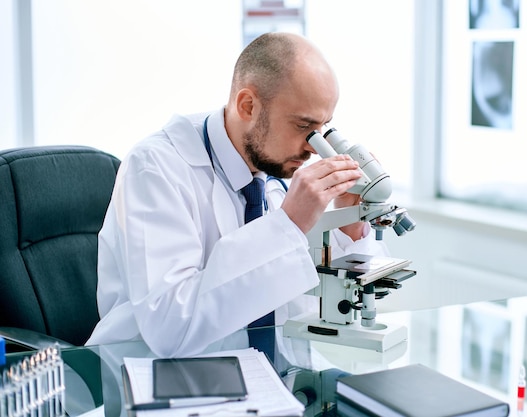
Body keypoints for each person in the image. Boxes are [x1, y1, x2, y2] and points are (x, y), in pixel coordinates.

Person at [86, 32, 389, 357]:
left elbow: (305, 295)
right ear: (248, 106)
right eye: (303, 127)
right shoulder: (156, 167)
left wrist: (348, 227)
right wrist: (288, 225)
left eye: (324, 127)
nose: (312, 149)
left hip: (274, 380)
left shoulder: (274, 171)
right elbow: (170, 328)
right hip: (166, 382)